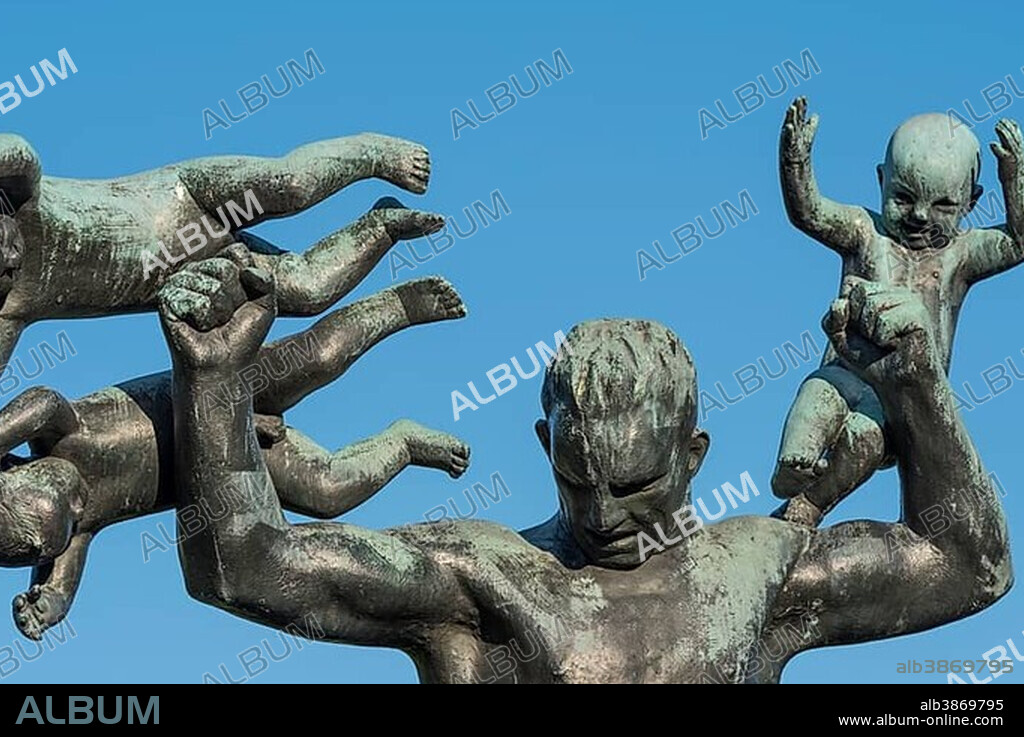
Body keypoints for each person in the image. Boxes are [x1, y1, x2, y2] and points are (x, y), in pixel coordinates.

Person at [160, 257, 1013, 683]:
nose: (601, 513)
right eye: (577, 479)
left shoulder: (759, 569)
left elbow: (974, 568)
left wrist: (920, 389)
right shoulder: (481, 577)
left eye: (636, 486)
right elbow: (242, 566)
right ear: (545, 444)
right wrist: (210, 381)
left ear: (693, 457)